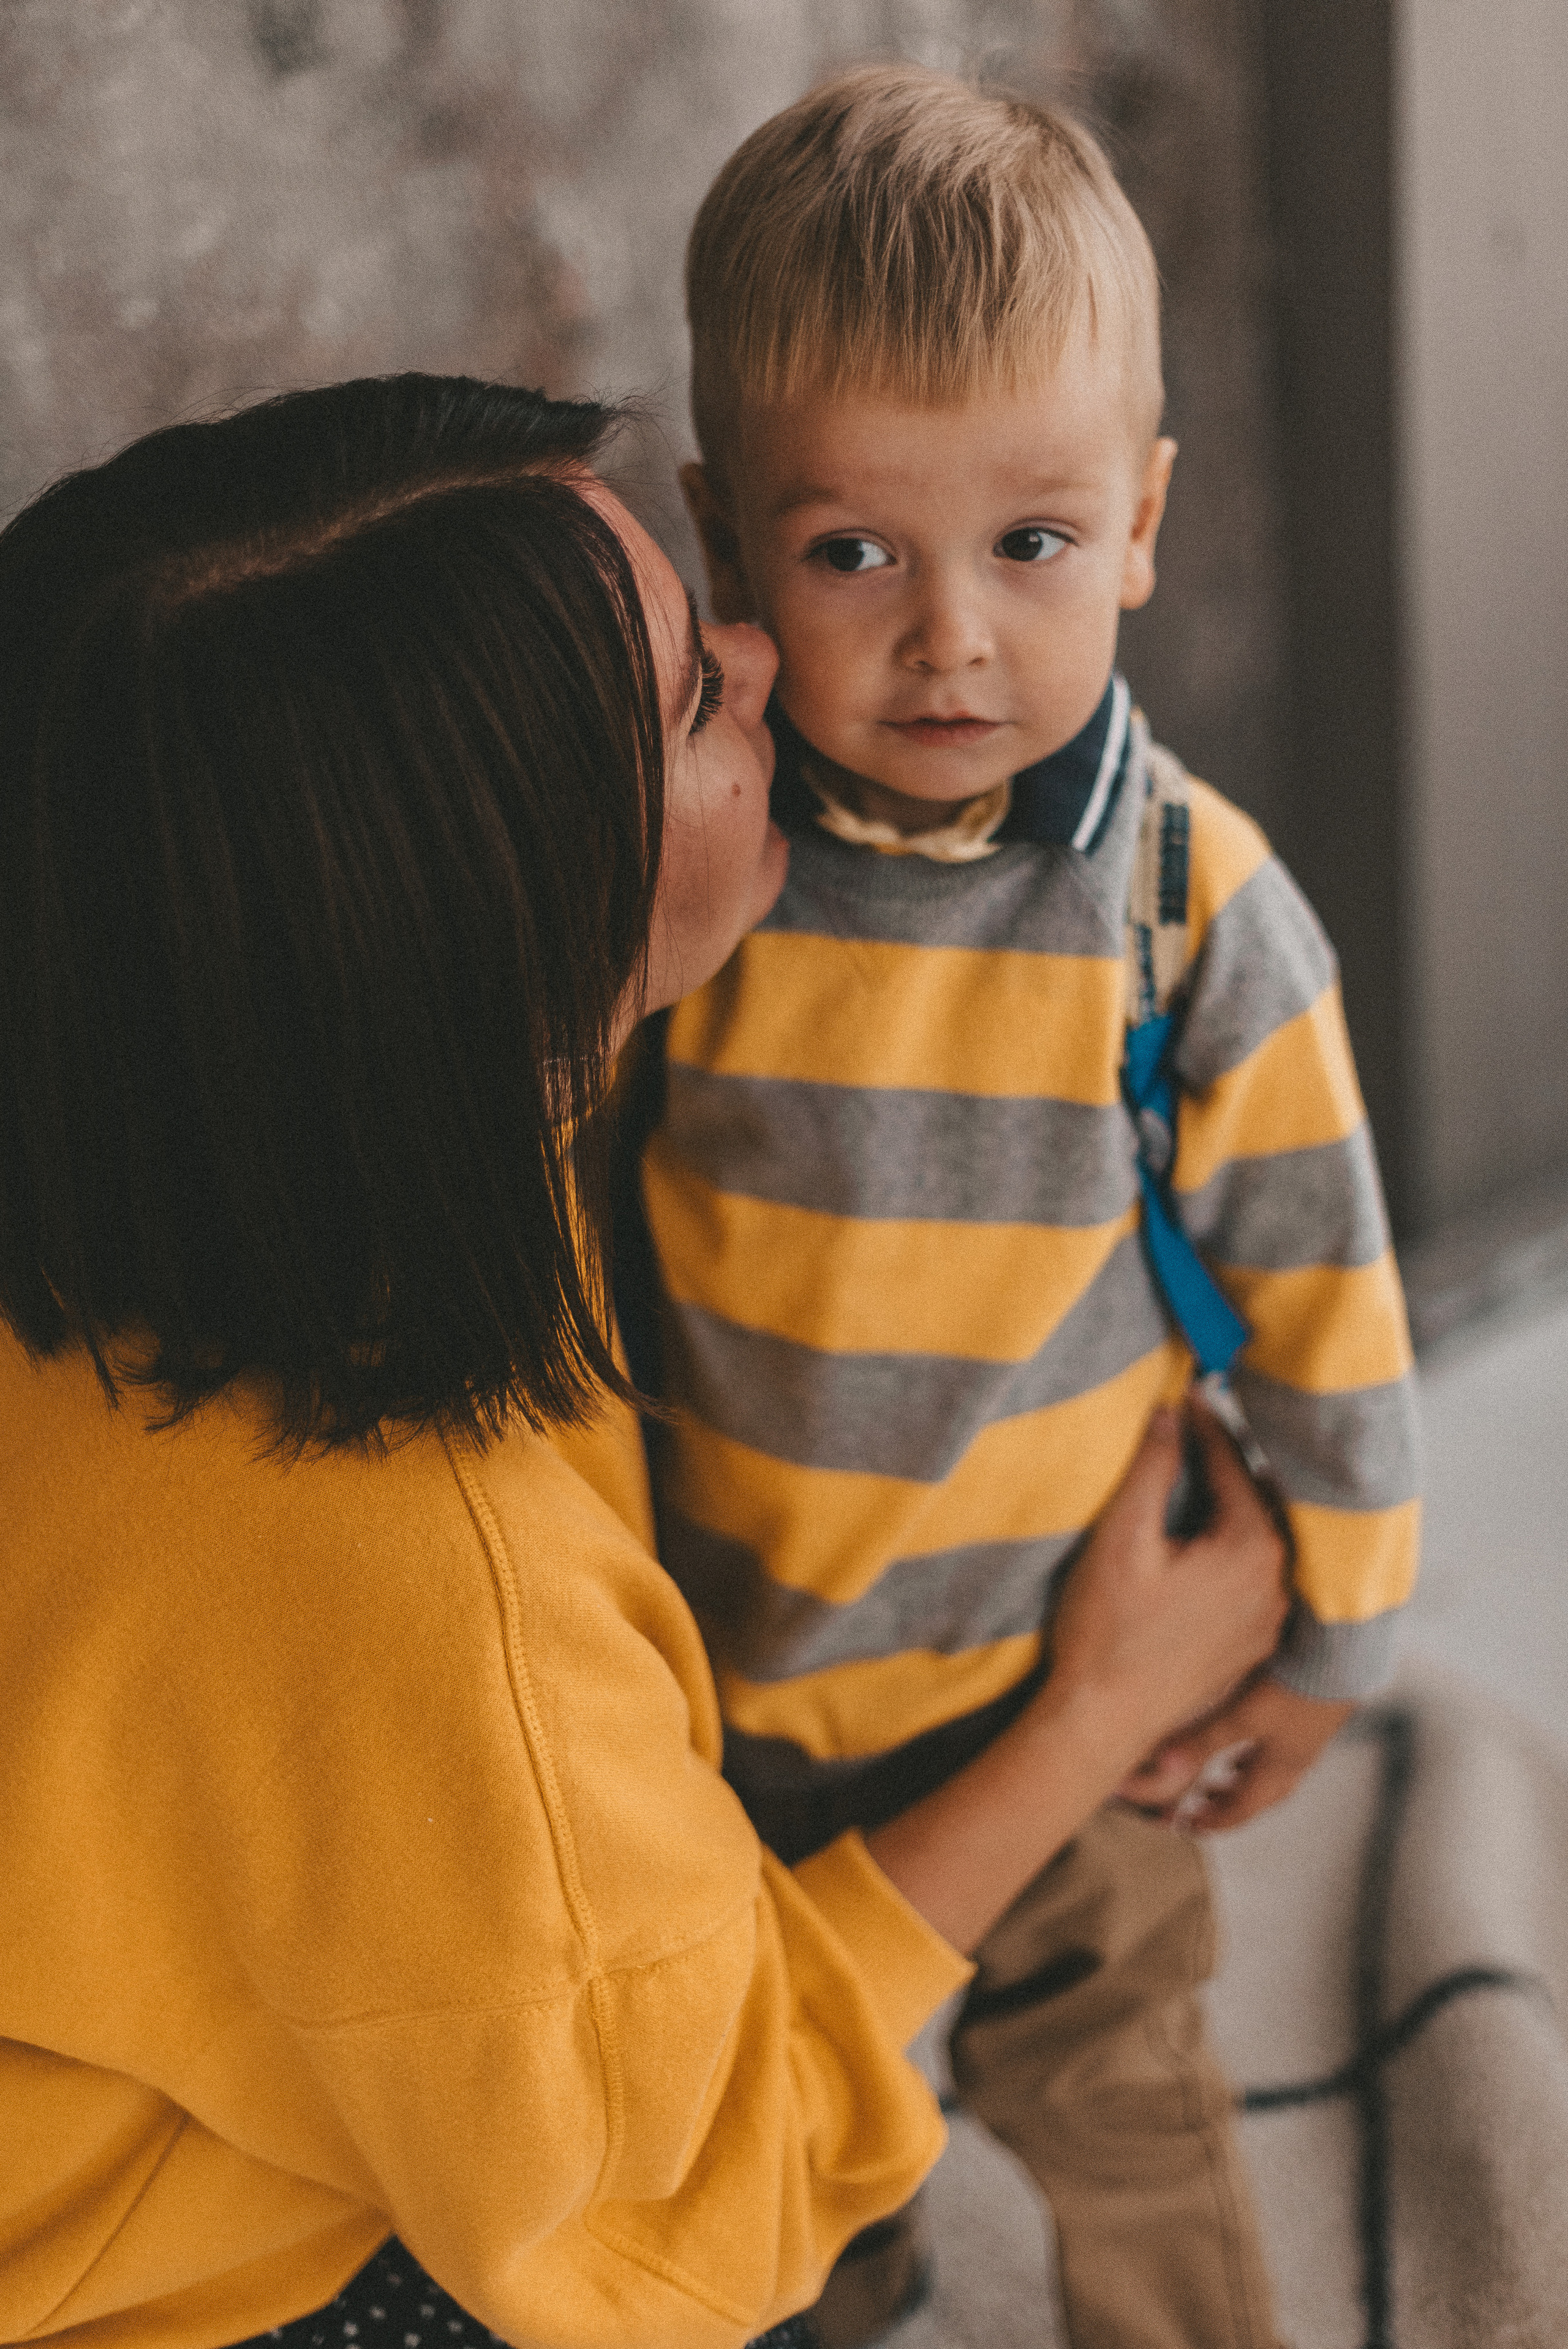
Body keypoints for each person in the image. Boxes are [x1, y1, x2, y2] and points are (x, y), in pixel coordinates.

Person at [0, 372, 1289, 2349]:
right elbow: (709, 2199)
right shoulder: (444, 1602)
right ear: (505, 939)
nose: (775, 648)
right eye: (698, 695)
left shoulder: (172, 1096)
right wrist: (1100, 1707)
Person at [624, 65, 1423, 2349]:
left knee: (1134, 2121)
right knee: (797, 2170)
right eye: (854, 548)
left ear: (1145, 516)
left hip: (1059, 1683)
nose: (950, 637)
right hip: (744, 1706)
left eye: (1033, 545)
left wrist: (1334, 1635)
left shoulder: (1188, 900)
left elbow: (1325, 1291)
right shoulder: (712, 876)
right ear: (725, 532)